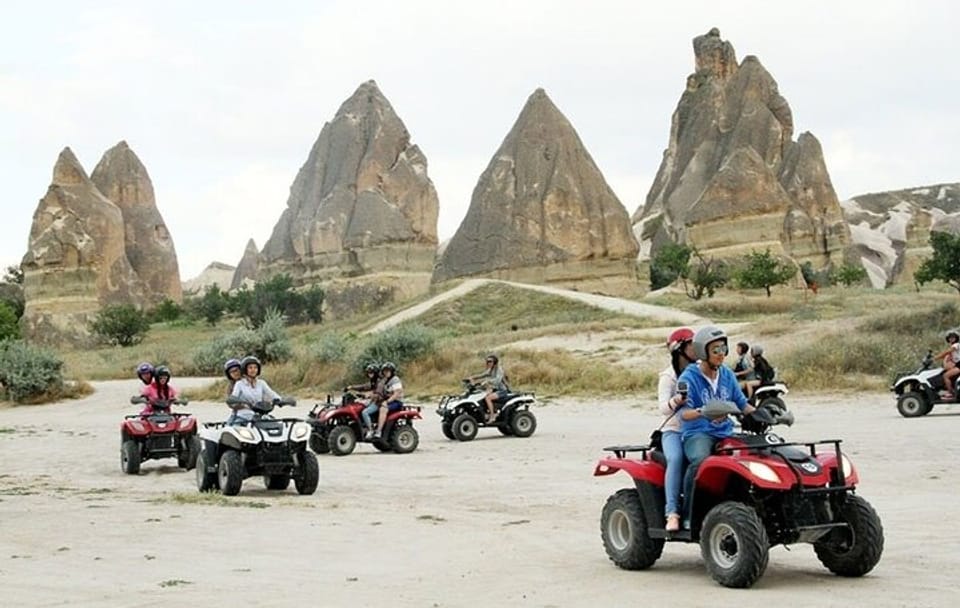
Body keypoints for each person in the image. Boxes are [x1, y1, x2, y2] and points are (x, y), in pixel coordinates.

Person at [678, 325, 756, 528]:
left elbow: (742, 403)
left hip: (725, 432)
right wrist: (704, 412)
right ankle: (688, 514)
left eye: (724, 349)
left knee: (753, 456)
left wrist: (762, 414)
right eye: (716, 350)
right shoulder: (688, 378)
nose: (721, 355)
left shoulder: (727, 374)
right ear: (703, 352)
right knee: (700, 462)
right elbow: (683, 414)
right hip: (698, 433)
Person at [657, 327, 696, 532]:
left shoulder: (701, 371)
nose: (696, 348)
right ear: (679, 348)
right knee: (676, 459)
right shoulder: (668, 376)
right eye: (691, 345)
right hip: (674, 431)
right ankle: (672, 512)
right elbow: (663, 408)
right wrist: (677, 400)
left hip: (699, 428)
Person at [228, 355, 280, 425]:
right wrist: (240, 403)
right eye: (250, 368)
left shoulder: (261, 383)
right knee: (235, 431)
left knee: (276, 426)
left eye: (255, 367)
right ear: (245, 369)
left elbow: (271, 394)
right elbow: (233, 398)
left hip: (259, 416)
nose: (253, 370)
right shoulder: (239, 384)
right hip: (243, 417)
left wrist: (280, 400)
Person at [466, 354, 509, 423]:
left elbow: (497, 380)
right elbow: (483, 375)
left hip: (501, 391)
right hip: (494, 389)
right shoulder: (491, 370)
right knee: (481, 395)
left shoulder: (499, 370)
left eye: (490, 361)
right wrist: (472, 377)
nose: (488, 363)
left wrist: (487, 381)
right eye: (487, 361)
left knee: (488, 398)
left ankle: (492, 416)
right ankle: (485, 413)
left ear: (495, 362)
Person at [373, 361, 404, 439]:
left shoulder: (395, 379)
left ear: (392, 371)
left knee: (383, 408)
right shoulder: (385, 381)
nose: (386, 372)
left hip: (396, 402)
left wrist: (387, 402)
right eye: (384, 371)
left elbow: (397, 393)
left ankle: (378, 431)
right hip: (389, 400)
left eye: (388, 371)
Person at [361, 366, 388, 438]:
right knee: (360, 406)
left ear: (375, 373)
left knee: (365, 412)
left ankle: (371, 430)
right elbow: (363, 387)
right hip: (374, 401)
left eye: (371, 373)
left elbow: (378, 395)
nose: (369, 374)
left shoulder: (380, 382)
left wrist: (368, 396)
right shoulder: (373, 381)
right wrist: (351, 387)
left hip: (379, 403)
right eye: (368, 373)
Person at [935, 330, 960, 398]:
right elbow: (947, 355)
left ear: (956, 338)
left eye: (953, 337)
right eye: (950, 338)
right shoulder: (953, 346)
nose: (951, 339)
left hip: (959, 365)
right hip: (957, 364)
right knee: (945, 371)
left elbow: (947, 352)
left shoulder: (956, 345)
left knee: (946, 376)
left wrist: (936, 357)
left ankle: (951, 392)